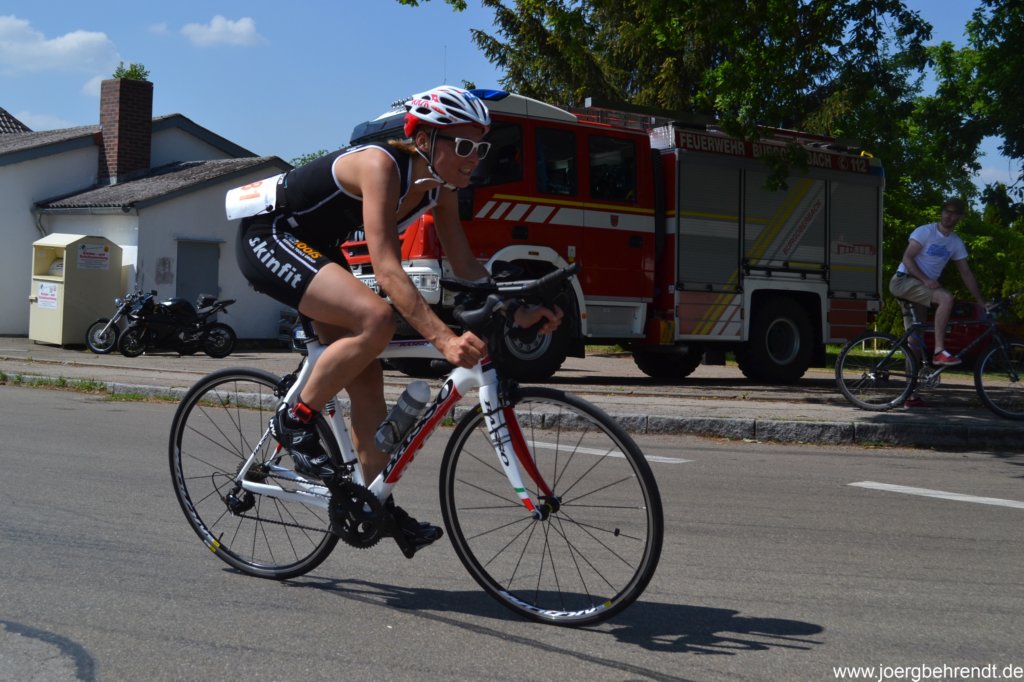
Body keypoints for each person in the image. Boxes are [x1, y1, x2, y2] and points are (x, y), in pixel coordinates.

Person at [234, 86, 563, 553]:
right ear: (424, 140)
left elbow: (466, 267)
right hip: (269, 235)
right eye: (463, 146)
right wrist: (445, 341)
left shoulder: (441, 190)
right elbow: (387, 270)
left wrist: (519, 310)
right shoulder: (381, 166)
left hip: (315, 249)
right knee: (376, 319)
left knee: (367, 377)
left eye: (480, 148)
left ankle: (376, 505)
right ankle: (296, 419)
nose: (474, 159)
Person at [889, 197, 988, 407]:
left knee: (915, 343)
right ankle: (939, 352)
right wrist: (926, 280)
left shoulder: (955, 243)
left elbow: (966, 273)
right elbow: (907, 258)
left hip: (919, 290)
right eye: (946, 211)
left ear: (960, 217)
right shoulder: (925, 232)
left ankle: (910, 396)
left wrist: (980, 301)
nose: (949, 216)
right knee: (946, 298)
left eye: (954, 213)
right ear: (941, 212)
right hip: (904, 281)